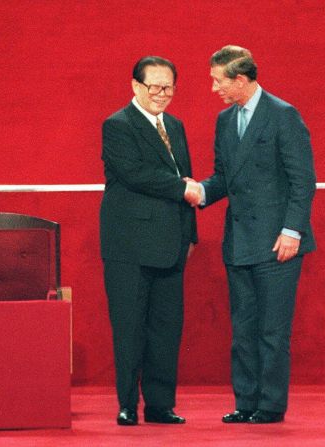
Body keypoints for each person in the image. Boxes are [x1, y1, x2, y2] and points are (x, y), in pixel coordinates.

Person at [188, 45, 316, 423]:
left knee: (272, 331)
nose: (214, 89)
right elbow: (225, 177)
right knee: (243, 329)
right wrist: (201, 191)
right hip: (240, 242)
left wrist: (292, 230)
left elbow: (302, 180)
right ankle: (246, 402)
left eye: (218, 81)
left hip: (278, 243)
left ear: (240, 80)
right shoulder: (225, 121)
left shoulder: (283, 116)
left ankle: (271, 405)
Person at [100, 56, 199, 426]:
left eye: (168, 87)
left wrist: (190, 235)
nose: (161, 94)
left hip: (172, 245)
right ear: (135, 86)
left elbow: (184, 176)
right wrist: (184, 188)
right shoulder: (118, 125)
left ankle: (160, 405)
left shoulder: (175, 125)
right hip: (129, 247)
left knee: (165, 329)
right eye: (154, 86)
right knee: (129, 328)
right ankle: (127, 404)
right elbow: (135, 174)